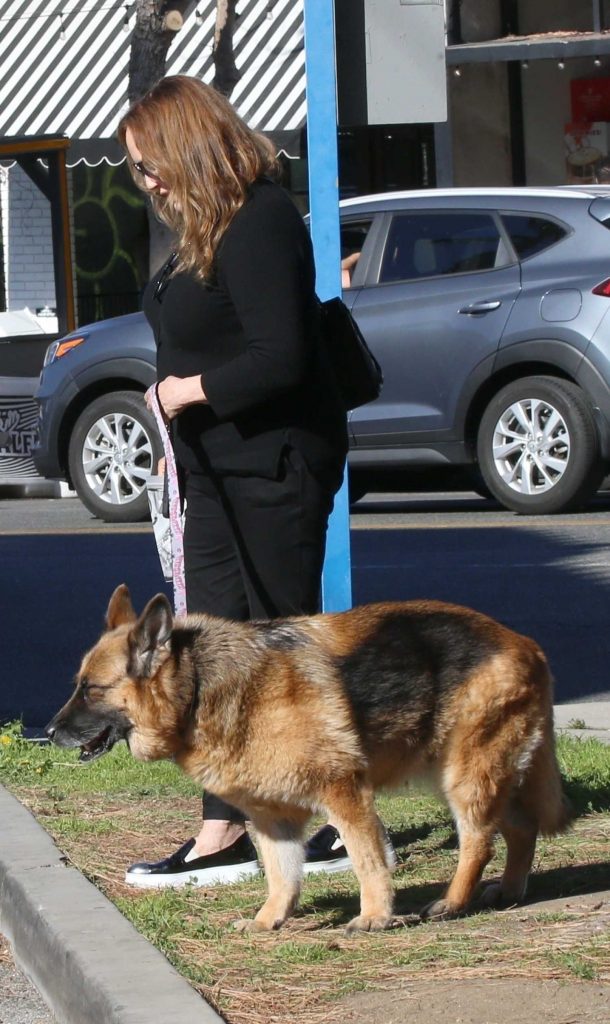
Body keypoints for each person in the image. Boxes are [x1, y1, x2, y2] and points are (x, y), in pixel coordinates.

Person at [117, 75, 356, 888]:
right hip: (212, 465)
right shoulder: (203, 229)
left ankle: (323, 820)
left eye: (149, 165)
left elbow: (281, 356)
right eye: (136, 170)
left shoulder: (260, 222)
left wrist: (188, 395)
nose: (145, 182)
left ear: (189, 148)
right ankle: (224, 828)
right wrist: (170, 435)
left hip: (275, 463)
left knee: (280, 645)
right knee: (209, 647)